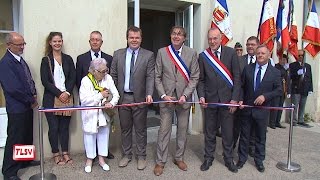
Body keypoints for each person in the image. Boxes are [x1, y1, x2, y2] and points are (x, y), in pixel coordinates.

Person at [153, 26, 199, 176]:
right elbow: (157, 77)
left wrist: (185, 95)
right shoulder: (162, 52)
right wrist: (163, 95)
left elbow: (194, 77)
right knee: (164, 131)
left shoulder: (192, 53)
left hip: (183, 99)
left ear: (184, 38)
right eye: (174, 33)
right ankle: (160, 162)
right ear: (170, 36)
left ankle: (179, 158)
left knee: (182, 131)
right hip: (167, 99)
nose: (176, 36)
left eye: (180, 34)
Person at [110, 26, 155, 170]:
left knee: (140, 129)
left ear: (141, 39)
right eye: (131, 37)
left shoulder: (148, 55)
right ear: (127, 38)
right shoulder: (118, 54)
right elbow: (113, 76)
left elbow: (150, 77)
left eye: (137, 37)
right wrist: (114, 96)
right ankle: (126, 155)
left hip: (140, 98)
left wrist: (149, 93)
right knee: (125, 129)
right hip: (123, 98)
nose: (134, 40)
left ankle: (141, 156)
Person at [197, 28, 241, 173]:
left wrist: (235, 99)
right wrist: (201, 96)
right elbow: (201, 80)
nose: (212, 41)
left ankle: (228, 159)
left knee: (228, 133)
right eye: (210, 38)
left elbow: (237, 78)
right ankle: (208, 157)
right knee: (209, 132)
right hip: (210, 101)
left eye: (215, 38)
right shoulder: (203, 56)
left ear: (221, 38)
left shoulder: (231, 53)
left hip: (228, 102)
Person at [0, 32, 40, 180]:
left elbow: (28, 80)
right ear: (9, 45)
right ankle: (9, 172)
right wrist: (30, 99)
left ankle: (24, 161)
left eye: (23, 43)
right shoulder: (5, 63)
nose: (22, 47)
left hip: (26, 106)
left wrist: (34, 94)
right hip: (17, 108)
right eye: (19, 44)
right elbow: (13, 88)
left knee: (26, 135)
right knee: (15, 138)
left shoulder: (19, 60)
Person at [237, 45, 282, 173]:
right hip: (247, 109)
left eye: (263, 53)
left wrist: (265, 96)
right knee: (244, 135)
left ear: (269, 55)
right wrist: (240, 99)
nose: (260, 55)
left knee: (260, 137)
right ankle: (242, 158)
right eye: (258, 53)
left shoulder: (275, 72)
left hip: (262, 111)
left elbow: (279, 90)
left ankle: (259, 160)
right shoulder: (248, 69)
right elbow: (241, 86)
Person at [76, 30, 114, 159]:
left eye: (97, 39)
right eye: (92, 39)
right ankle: (91, 157)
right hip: (89, 103)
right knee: (90, 131)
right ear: (89, 41)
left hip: (104, 104)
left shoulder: (109, 58)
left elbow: (111, 81)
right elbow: (78, 80)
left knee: (104, 129)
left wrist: (108, 99)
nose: (95, 41)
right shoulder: (81, 58)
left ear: (101, 42)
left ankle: (103, 154)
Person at [40, 32, 76, 165]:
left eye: (59, 41)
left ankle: (65, 152)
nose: (57, 43)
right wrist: (58, 93)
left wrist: (66, 92)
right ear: (50, 42)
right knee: (54, 128)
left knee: (64, 128)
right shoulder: (46, 60)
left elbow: (73, 77)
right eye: (54, 41)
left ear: (62, 42)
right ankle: (56, 153)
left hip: (67, 98)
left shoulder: (68, 59)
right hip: (51, 99)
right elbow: (45, 81)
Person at [79, 58, 119, 173]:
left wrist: (111, 103)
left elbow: (116, 95)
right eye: (102, 71)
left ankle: (102, 159)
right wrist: (100, 96)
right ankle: (89, 160)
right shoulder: (85, 81)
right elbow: (84, 100)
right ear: (94, 71)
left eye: (106, 70)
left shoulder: (108, 78)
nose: (105, 73)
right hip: (90, 115)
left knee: (103, 136)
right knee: (89, 137)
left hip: (103, 115)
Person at [235, 36, 259, 155]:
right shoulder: (239, 59)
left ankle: (251, 148)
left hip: (257, 101)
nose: (250, 46)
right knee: (237, 127)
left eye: (252, 44)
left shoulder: (263, 60)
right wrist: (239, 99)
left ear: (257, 46)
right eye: (248, 44)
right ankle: (232, 148)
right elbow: (237, 81)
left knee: (254, 128)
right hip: (241, 101)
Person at [289, 49, 313, 127]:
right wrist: (297, 73)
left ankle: (301, 120)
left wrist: (310, 89)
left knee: (302, 106)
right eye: (299, 55)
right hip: (296, 88)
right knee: (295, 106)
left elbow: (310, 78)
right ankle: (293, 120)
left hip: (305, 89)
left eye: (302, 55)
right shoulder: (293, 65)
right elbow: (290, 76)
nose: (300, 57)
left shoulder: (308, 66)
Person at [272, 54, 290, 129]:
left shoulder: (286, 68)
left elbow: (288, 80)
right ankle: (272, 122)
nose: (283, 61)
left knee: (280, 107)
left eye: (285, 60)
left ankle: (277, 122)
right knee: (275, 107)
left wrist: (288, 91)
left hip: (283, 90)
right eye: (282, 59)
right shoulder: (276, 67)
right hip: (277, 89)